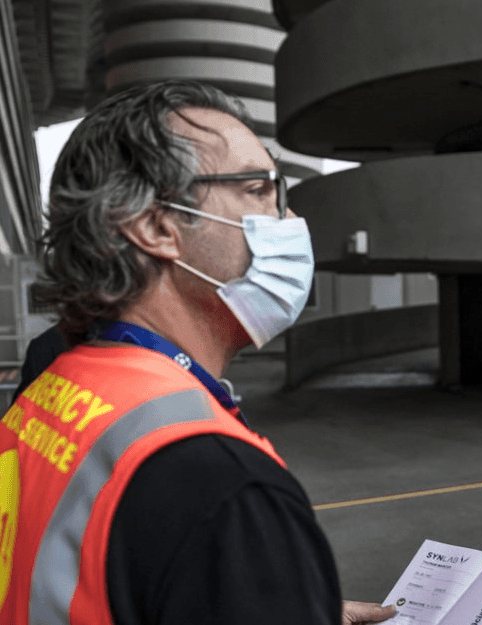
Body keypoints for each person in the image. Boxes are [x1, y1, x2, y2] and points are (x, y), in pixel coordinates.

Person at [0, 80, 395, 625]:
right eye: (259, 190)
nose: (288, 222)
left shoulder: (54, 383)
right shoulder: (225, 487)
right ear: (156, 227)